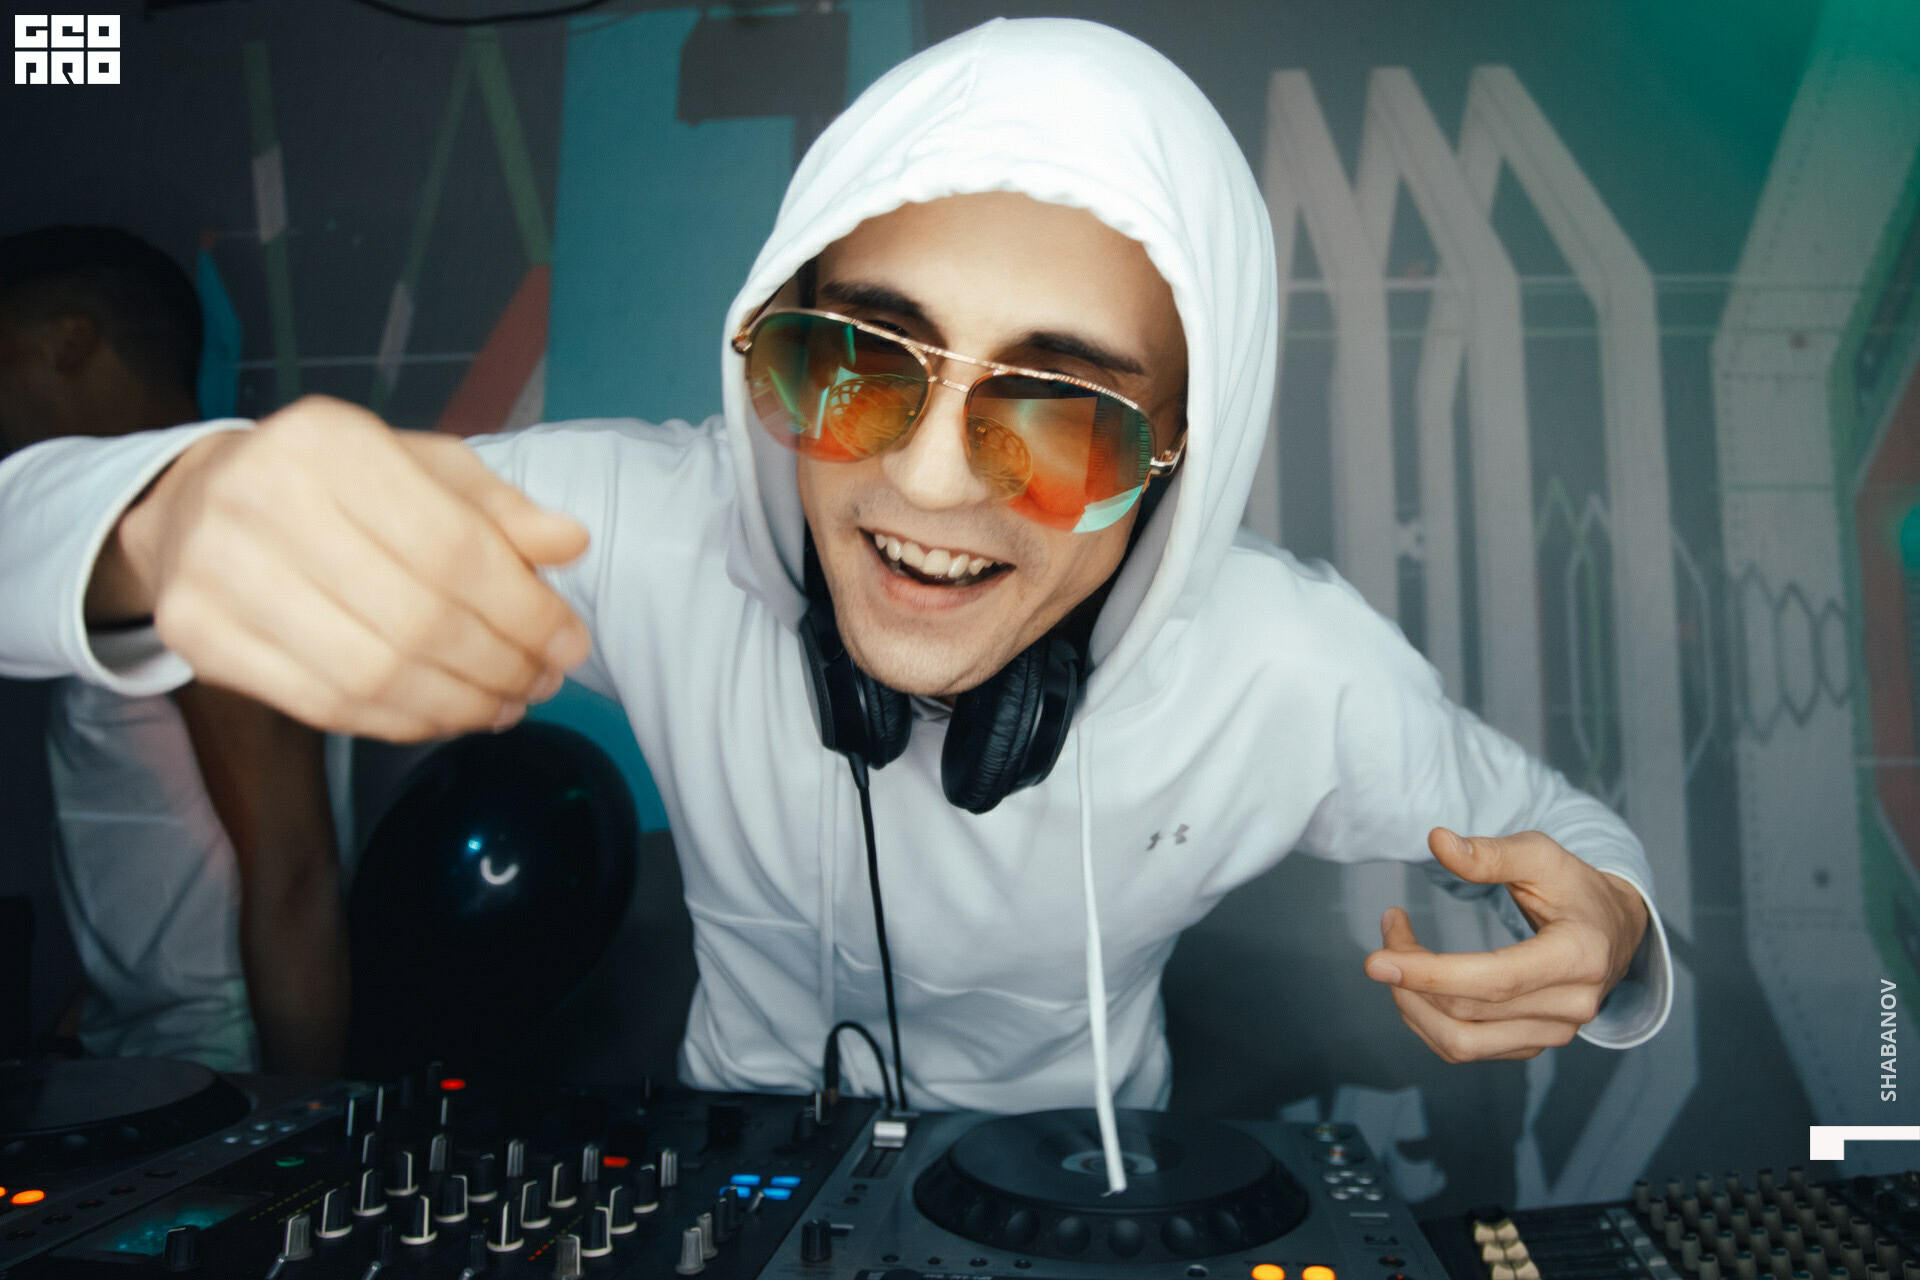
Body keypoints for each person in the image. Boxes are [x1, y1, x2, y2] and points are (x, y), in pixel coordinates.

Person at [0, 20, 1667, 1177]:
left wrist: (1614, 933)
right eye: (855, 362)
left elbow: (1573, 844)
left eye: (1063, 413)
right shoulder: (659, 531)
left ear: (1184, 457)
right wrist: (154, 517)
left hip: (1080, 1177)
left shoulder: (1287, 669)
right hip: (723, 1155)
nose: (927, 486)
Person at [0, 226, 347, 1074]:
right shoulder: (119, 542)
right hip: (136, 1052)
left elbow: (294, 871)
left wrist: (293, 1127)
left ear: (68, 341)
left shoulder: (206, 533)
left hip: (210, 1069)